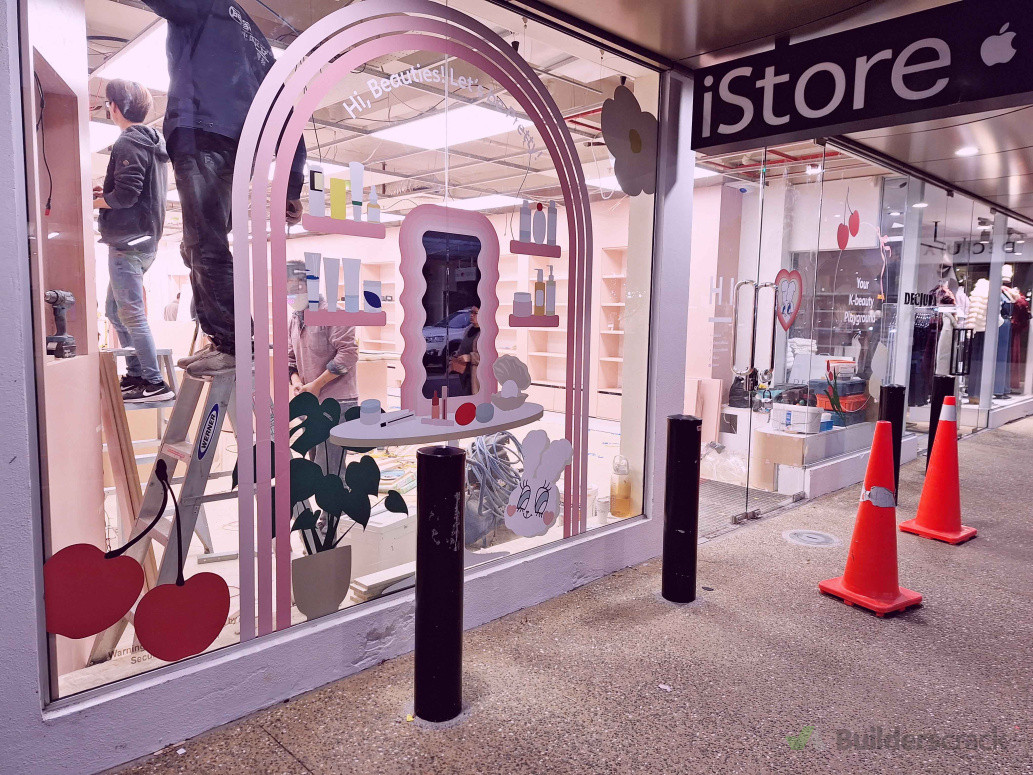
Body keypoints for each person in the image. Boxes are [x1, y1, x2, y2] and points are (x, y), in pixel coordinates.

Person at [143, 0, 306, 377]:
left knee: (206, 243)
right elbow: (289, 113)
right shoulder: (258, 41)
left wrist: (291, 183)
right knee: (198, 243)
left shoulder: (205, 4)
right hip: (238, 148)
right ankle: (224, 340)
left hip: (202, 133)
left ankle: (234, 345)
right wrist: (291, 182)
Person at [93, 78, 175, 403]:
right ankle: (136, 374)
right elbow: (133, 192)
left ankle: (154, 382)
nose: (108, 108)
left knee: (131, 314)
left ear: (116, 107)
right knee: (115, 312)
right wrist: (106, 194)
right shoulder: (152, 143)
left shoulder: (127, 142)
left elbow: (126, 196)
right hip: (143, 241)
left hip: (126, 243)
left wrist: (95, 202)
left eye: (108, 103)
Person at [286, 262, 358, 477]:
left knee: (331, 470)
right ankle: (328, 511)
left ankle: (335, 511)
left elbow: (348, 355)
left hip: (336, 403)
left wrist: (316, 385)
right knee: (317, 467)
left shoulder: (334, 313)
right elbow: (290, 359)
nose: (288, 292)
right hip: (310, 401)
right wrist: (298, 383)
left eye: (291, 286)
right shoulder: (296, 319)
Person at [449, 306, 481, 395]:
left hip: (477, 376)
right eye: (471, 312)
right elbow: (463, 345)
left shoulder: (486, 332)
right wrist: (457, 355)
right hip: (465, 374)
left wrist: (470, 357)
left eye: (475, 313)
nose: (472, 315)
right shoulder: (469, 328)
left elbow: (488, 357)